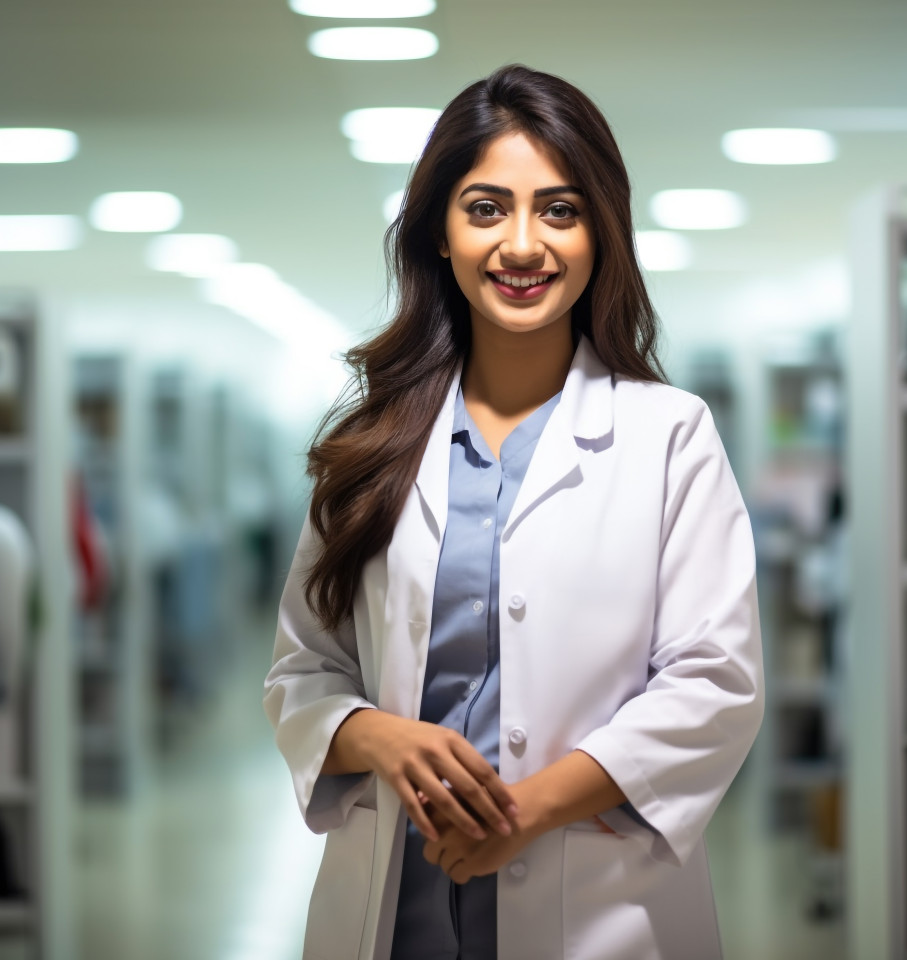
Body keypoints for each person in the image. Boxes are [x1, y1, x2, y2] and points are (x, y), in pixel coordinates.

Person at [264, 63, 764, 960]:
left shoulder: (670, 437)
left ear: (601, 233)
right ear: (440, 236)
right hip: (393, 912)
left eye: (560, 210)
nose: (523, 244)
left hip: (602, 917)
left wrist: (527, 812)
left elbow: (714, 685)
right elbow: (302, 675)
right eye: (487, 208)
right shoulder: (369, 445)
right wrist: (379, 739)